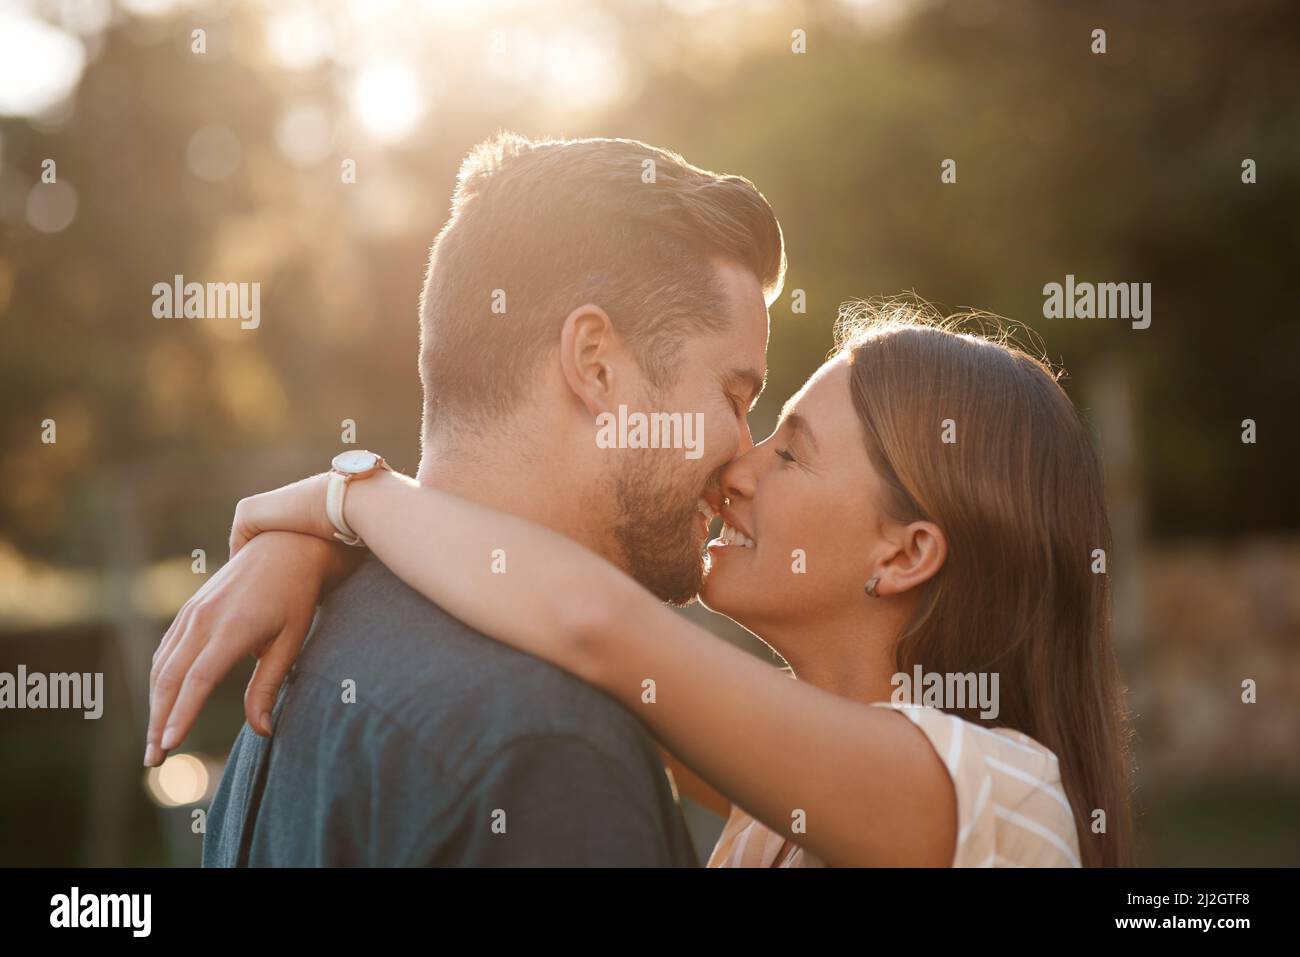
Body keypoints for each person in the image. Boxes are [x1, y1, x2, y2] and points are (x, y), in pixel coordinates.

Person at [151, 299, 1135, 867]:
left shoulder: (998, 800)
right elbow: (537, 611)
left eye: (789, 453)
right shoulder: (783, 768)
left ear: (904, 554)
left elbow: (594, 626)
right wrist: (321, 548)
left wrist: (347, 498)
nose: (735, 468)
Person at [149, 131, 787, 866]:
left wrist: (344, 512)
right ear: (596, 365)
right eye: (734, 396)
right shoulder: (551, 747)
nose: (744, 452)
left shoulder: (315, 652)